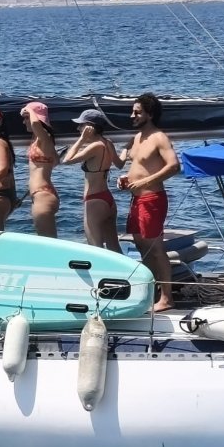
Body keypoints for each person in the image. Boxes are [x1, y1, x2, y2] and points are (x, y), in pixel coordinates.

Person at [118, 92, 180, 312]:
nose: (132, 115)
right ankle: (150, 294)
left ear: (150, 114)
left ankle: (167, 298)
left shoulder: (159, 137)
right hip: (136, 200)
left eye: (137, 112)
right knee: (141, 246)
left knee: (156, 249)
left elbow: (173, 166)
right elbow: (140, 166)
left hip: (152, 199)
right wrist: (126, 178)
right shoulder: (137, 138)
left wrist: (145, 181)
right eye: (132, 111)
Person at [62, 108, 122, 252]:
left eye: (81, 125)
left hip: (94, 201)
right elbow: (120, 164)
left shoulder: (95, 146)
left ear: (90, 127)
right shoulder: (108, 143)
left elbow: (67, 160)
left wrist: (81, 139)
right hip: (108, 200)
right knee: (114, 247)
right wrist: (126, 150)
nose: (78, 128)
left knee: (96, 249)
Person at [21, 102, 59, 237]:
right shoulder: (40, 140)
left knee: (48, 241)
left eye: (26, 118)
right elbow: (56, 161)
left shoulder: (45, 138)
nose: (24, 121)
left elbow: (36, 124)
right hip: (40, 194)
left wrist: (29, 110)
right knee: (46, 239)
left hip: (43, 194)